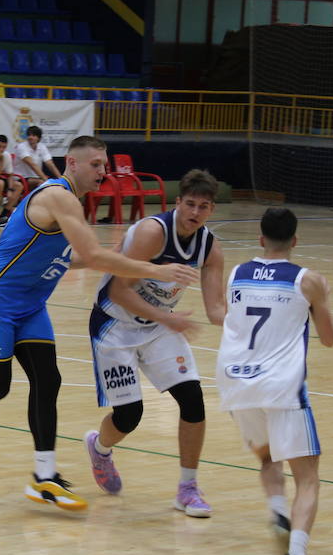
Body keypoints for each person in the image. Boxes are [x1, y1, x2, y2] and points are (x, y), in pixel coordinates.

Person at [0, 135, 199, 514]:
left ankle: (45, 477)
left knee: (48, 379)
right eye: (95, 165)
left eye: (104, 166)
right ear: (72, 164)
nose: (102, 172)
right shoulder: (58, 195)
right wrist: (153, 268)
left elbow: (74, 257)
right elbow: (91, 254)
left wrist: (117, 253)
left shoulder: (70, 204)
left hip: (30, 305)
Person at [83, 169, 227, 517]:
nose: (195, 212)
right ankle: (100, 448)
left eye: (203, 207)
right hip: (115, 325)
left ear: (211, 210)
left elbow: (216, 311)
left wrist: (256, 326)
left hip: (159, 326)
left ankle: (187, 489)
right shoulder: (153, 233)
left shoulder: (210, 247)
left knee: (193, 400)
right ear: (177, 202)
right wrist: (169, 318)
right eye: (190, 204)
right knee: (130, 415)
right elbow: (119, 291)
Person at [215, 207, 333, 555]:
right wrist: (321, 304)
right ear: (295, 241)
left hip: (236, 382)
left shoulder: (236, 273)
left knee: (269, 457)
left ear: (260, 238)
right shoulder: (308, 280)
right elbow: (329, 339)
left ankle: (277, 512)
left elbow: (226, 315)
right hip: (281, 386)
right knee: (308, 478)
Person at [12, 126, 61, 190]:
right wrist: (46, 180)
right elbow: (32, 165)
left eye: (33, 135)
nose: (30, 137)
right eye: (29, 135)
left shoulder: (42, 146)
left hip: (35, 177)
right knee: (43, 183)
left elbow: (50, 164)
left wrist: (61, 179)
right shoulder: (21, 147)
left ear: (39, 138)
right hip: (20, 178)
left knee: (52, 184)